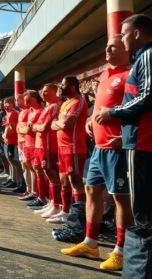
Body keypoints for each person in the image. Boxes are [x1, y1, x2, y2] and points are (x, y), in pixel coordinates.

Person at [95, 14, 152, 228]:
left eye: (124, 35)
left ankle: (141, 259)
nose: (123, 40)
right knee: (150, 209)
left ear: (136, 33)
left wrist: (112, 112)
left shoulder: (149, 56)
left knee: (142, 210)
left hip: (146, 140)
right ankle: (148, 258)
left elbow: (148, 98)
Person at [62, 34, 133, 271]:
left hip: (117, 148)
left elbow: (141, 110)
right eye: (106, 46)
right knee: (91, 190)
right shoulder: (104, 76)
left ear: (127, 48)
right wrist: (89, 120)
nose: (108, 50)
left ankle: (121, 251)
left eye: (113, 46)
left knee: (121, 198)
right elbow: (101, 106)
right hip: (99, 148)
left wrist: (127, 137)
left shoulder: (131, 74)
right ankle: (91, 243)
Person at [50, 76, 89, 224]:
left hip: (74, 147)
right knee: (64, 181)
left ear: (72, 86)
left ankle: (79, 217)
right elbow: (53, 125)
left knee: (76, 181)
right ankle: (65, 212)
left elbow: (67, 123)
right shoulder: (65, 103)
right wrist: (59, 124)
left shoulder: (79, 101)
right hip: (62, 147)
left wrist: (58, 124)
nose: (60, 86)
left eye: (63, 84)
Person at [31, 84, 64, 222]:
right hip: (40, 144)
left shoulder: (55, 106)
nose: (43, 94)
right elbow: (35, 126)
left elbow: (43, 127)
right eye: (42, 91)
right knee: (46, 173)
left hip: (49, 145)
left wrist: (36, 127)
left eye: (46, 92)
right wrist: (37, 127)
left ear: (55, 92)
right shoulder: (47, 108)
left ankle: (56, 205)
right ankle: (51, 202)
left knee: (51, 174)